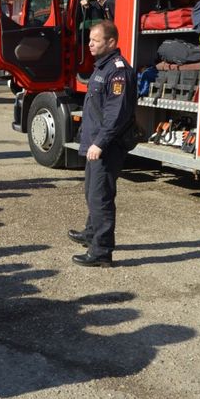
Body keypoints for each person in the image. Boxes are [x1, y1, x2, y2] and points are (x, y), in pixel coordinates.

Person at [68, 21, 136, 267]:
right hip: (95, 143)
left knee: (100, 197)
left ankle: (101, 252)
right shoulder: (101, 67)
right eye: (89, 40)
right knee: (91, 193)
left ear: (111, 42)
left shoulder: (118, 71)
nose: (90, 44)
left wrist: (100, 143)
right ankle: (91, 234)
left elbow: (116, 115)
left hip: (106, 147)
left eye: (95, 41)